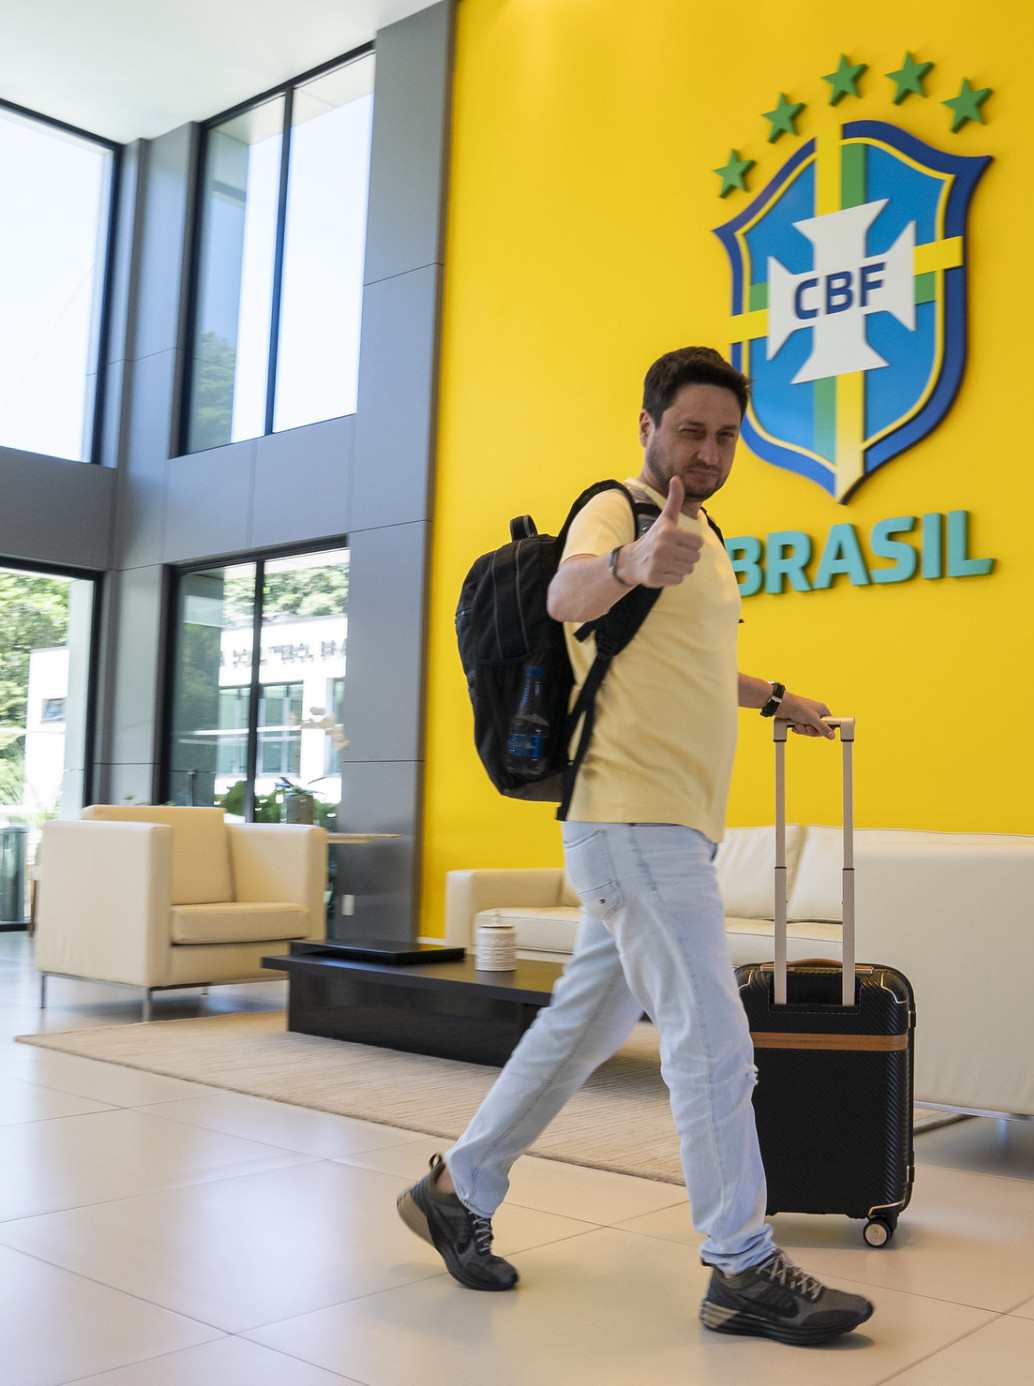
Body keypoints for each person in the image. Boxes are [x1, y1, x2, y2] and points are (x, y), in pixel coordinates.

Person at [397, 346, 876, 1346]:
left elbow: (690, 666)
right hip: (632, 818)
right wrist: (624, 562)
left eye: (723, 435)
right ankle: (742, 1265)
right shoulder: (618, 508)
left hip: (668, 827)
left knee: (575, 1031)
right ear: (649, 428)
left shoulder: (705, 535)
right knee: (713, 1038)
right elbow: (571, 596)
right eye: (688, 430)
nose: (705, 450)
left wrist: (781, 699)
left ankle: (458, 1186)